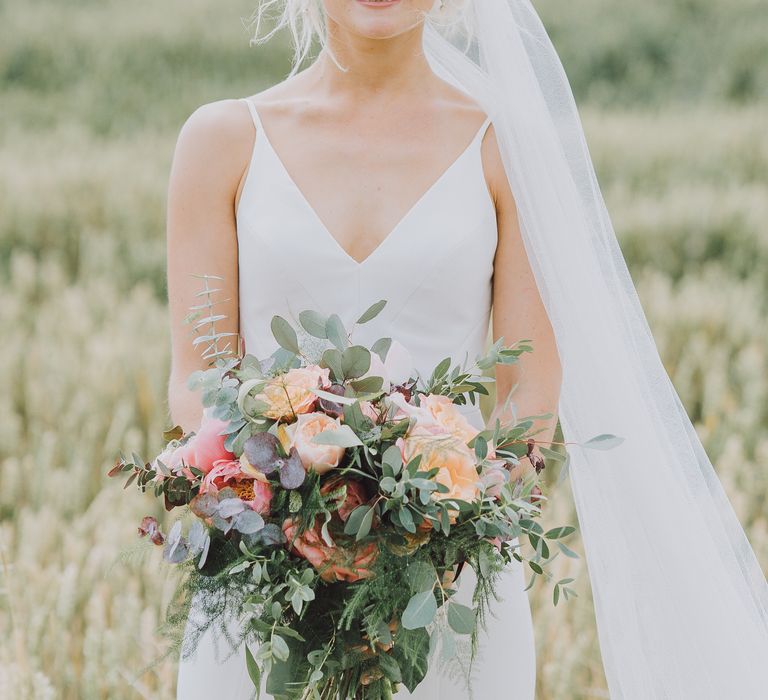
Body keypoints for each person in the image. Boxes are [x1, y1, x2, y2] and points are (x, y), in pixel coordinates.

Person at [167, 1, 768, 699]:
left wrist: (431, 531)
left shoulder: (507, 149)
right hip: (264, 586)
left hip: (449, 585)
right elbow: (197, 376)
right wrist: (287, 514)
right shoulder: (221, 141)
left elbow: (529, 395)